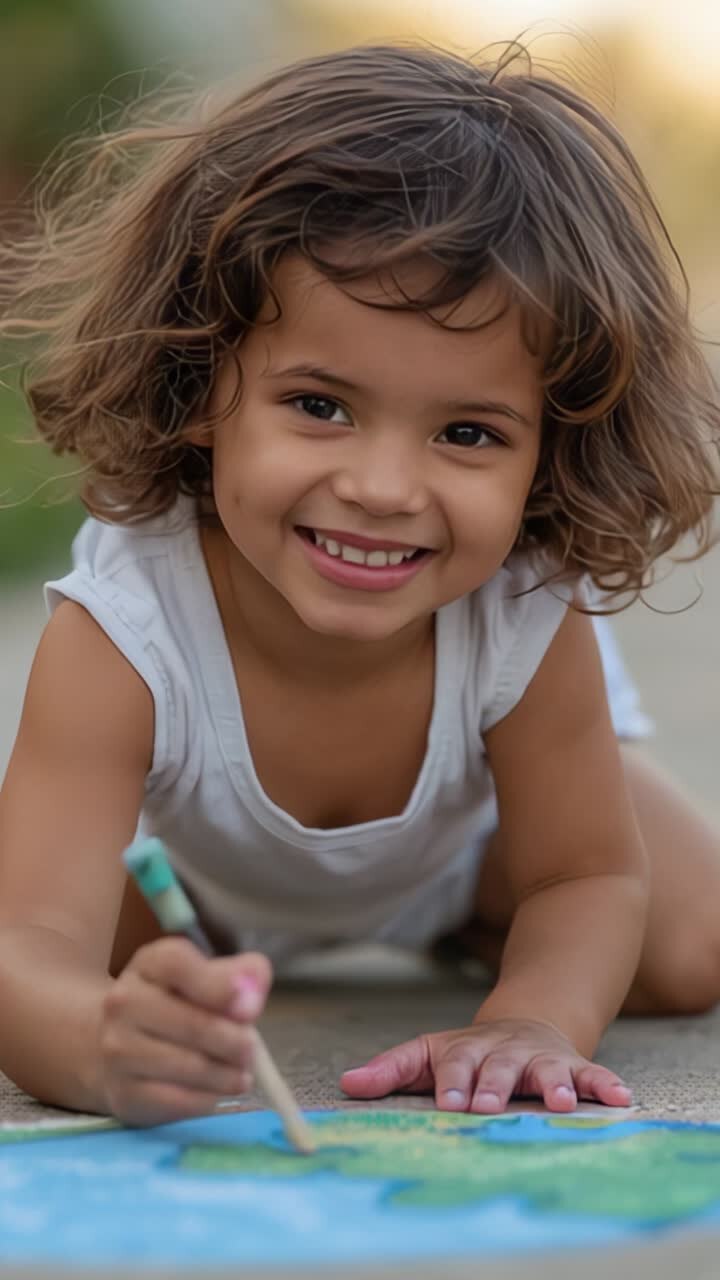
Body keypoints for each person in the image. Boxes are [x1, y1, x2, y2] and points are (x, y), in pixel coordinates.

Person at [0, 42, 718, 1128]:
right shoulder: (127, 626)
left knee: (690, 943)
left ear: (550, 455)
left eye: (468, 431)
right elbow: (29, 943)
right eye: (321, 406)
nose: (383, 488)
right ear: (200, 381)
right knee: (57, 956)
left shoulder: (522, 604)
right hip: (184, 887)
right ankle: (209, 973)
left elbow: (582, 875)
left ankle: (470, 924)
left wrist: (532, 1017)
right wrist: (104, 1046)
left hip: (471, 851)